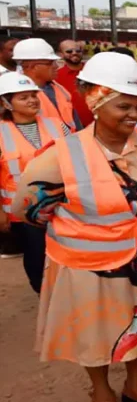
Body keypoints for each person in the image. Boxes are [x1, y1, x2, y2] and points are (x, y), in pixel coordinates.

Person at [14, 52, 137, 402]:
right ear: (94, 101)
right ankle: (102, 393)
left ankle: (136, 385)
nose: (133, 115)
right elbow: (27, 208)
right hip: (86, 263)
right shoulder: (61, 156)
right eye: (123, 106)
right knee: (94, 333)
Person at [0, 73, 70, 289]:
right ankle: (43, 294)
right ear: (5, 103)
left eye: (33, 95)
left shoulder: (57, 125)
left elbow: (77, 157)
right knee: (36, 256)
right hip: (24, 212)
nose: (32, 100)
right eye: (23, 97)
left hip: (62, 205)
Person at [14, 38, 82, 132]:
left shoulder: (58, 88)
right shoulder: (15, 95)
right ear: (31, 66)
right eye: (50, 63)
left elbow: (74, 121)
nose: (56, 66)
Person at [54, 39, 94, 127]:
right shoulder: (56, 76)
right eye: (69, 51)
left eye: (78, 50)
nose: (74, 53)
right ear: (61, 54)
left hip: (96, 124)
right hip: (71, 127)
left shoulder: (93, 71)